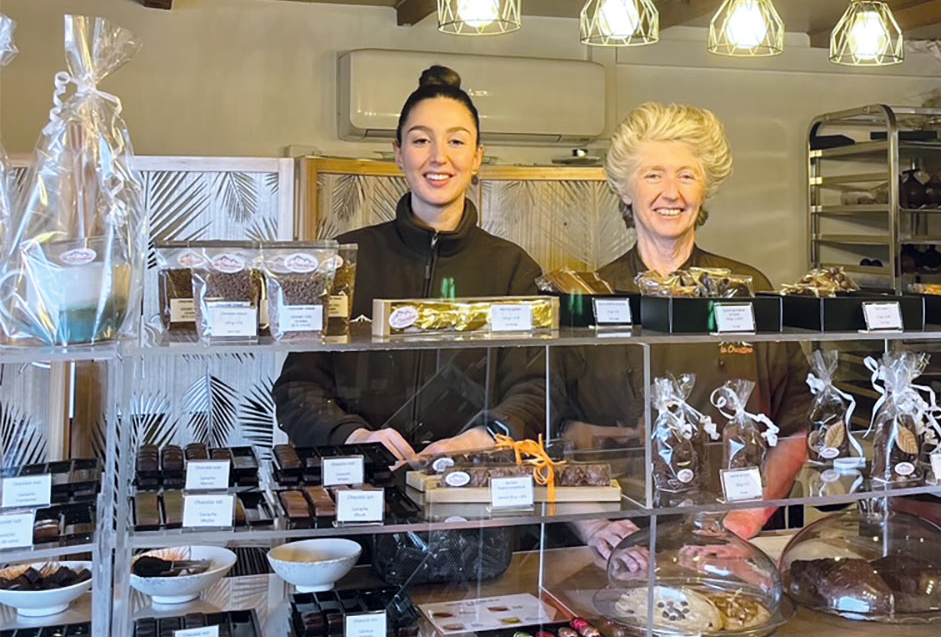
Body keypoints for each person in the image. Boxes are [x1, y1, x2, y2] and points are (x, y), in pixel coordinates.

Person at [556, 102, 810, 558]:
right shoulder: (591, 299)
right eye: (653, 175)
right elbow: (552, 434)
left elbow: (797, 426)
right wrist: (594, 525)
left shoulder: (749, 291)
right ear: (625, 189)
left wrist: (746, 519)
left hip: (728, 542)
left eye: (687, 176)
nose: (670, 192)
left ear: (704, 190)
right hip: (621, 544)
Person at [272, 65, 544, 460]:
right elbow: (297, 388)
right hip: (361, 478)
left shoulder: (513, 269)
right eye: (420, 141)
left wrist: (479, 439)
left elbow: (535, 388)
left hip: (470, 476)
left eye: (456, 141)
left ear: (477, 157)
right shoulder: (345, 260)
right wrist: (355, 437)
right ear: (398, 154)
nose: (438, 157)